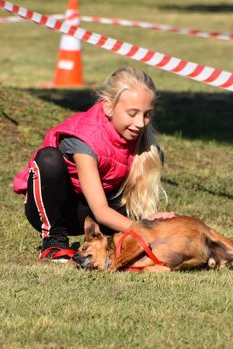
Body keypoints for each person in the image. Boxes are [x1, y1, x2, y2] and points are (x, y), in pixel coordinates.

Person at [13, 66, 173, 262]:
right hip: (56, 209)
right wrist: (145, 231)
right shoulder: (86, 140)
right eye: (132, 114)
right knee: (49, 159)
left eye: (147, 114)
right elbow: (100, 210)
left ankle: (109, 241)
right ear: (108, 107)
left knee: (153, 155)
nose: (140, 123)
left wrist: (152, 222)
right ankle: (53, 240)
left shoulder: (146, 147)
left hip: (93, 210)